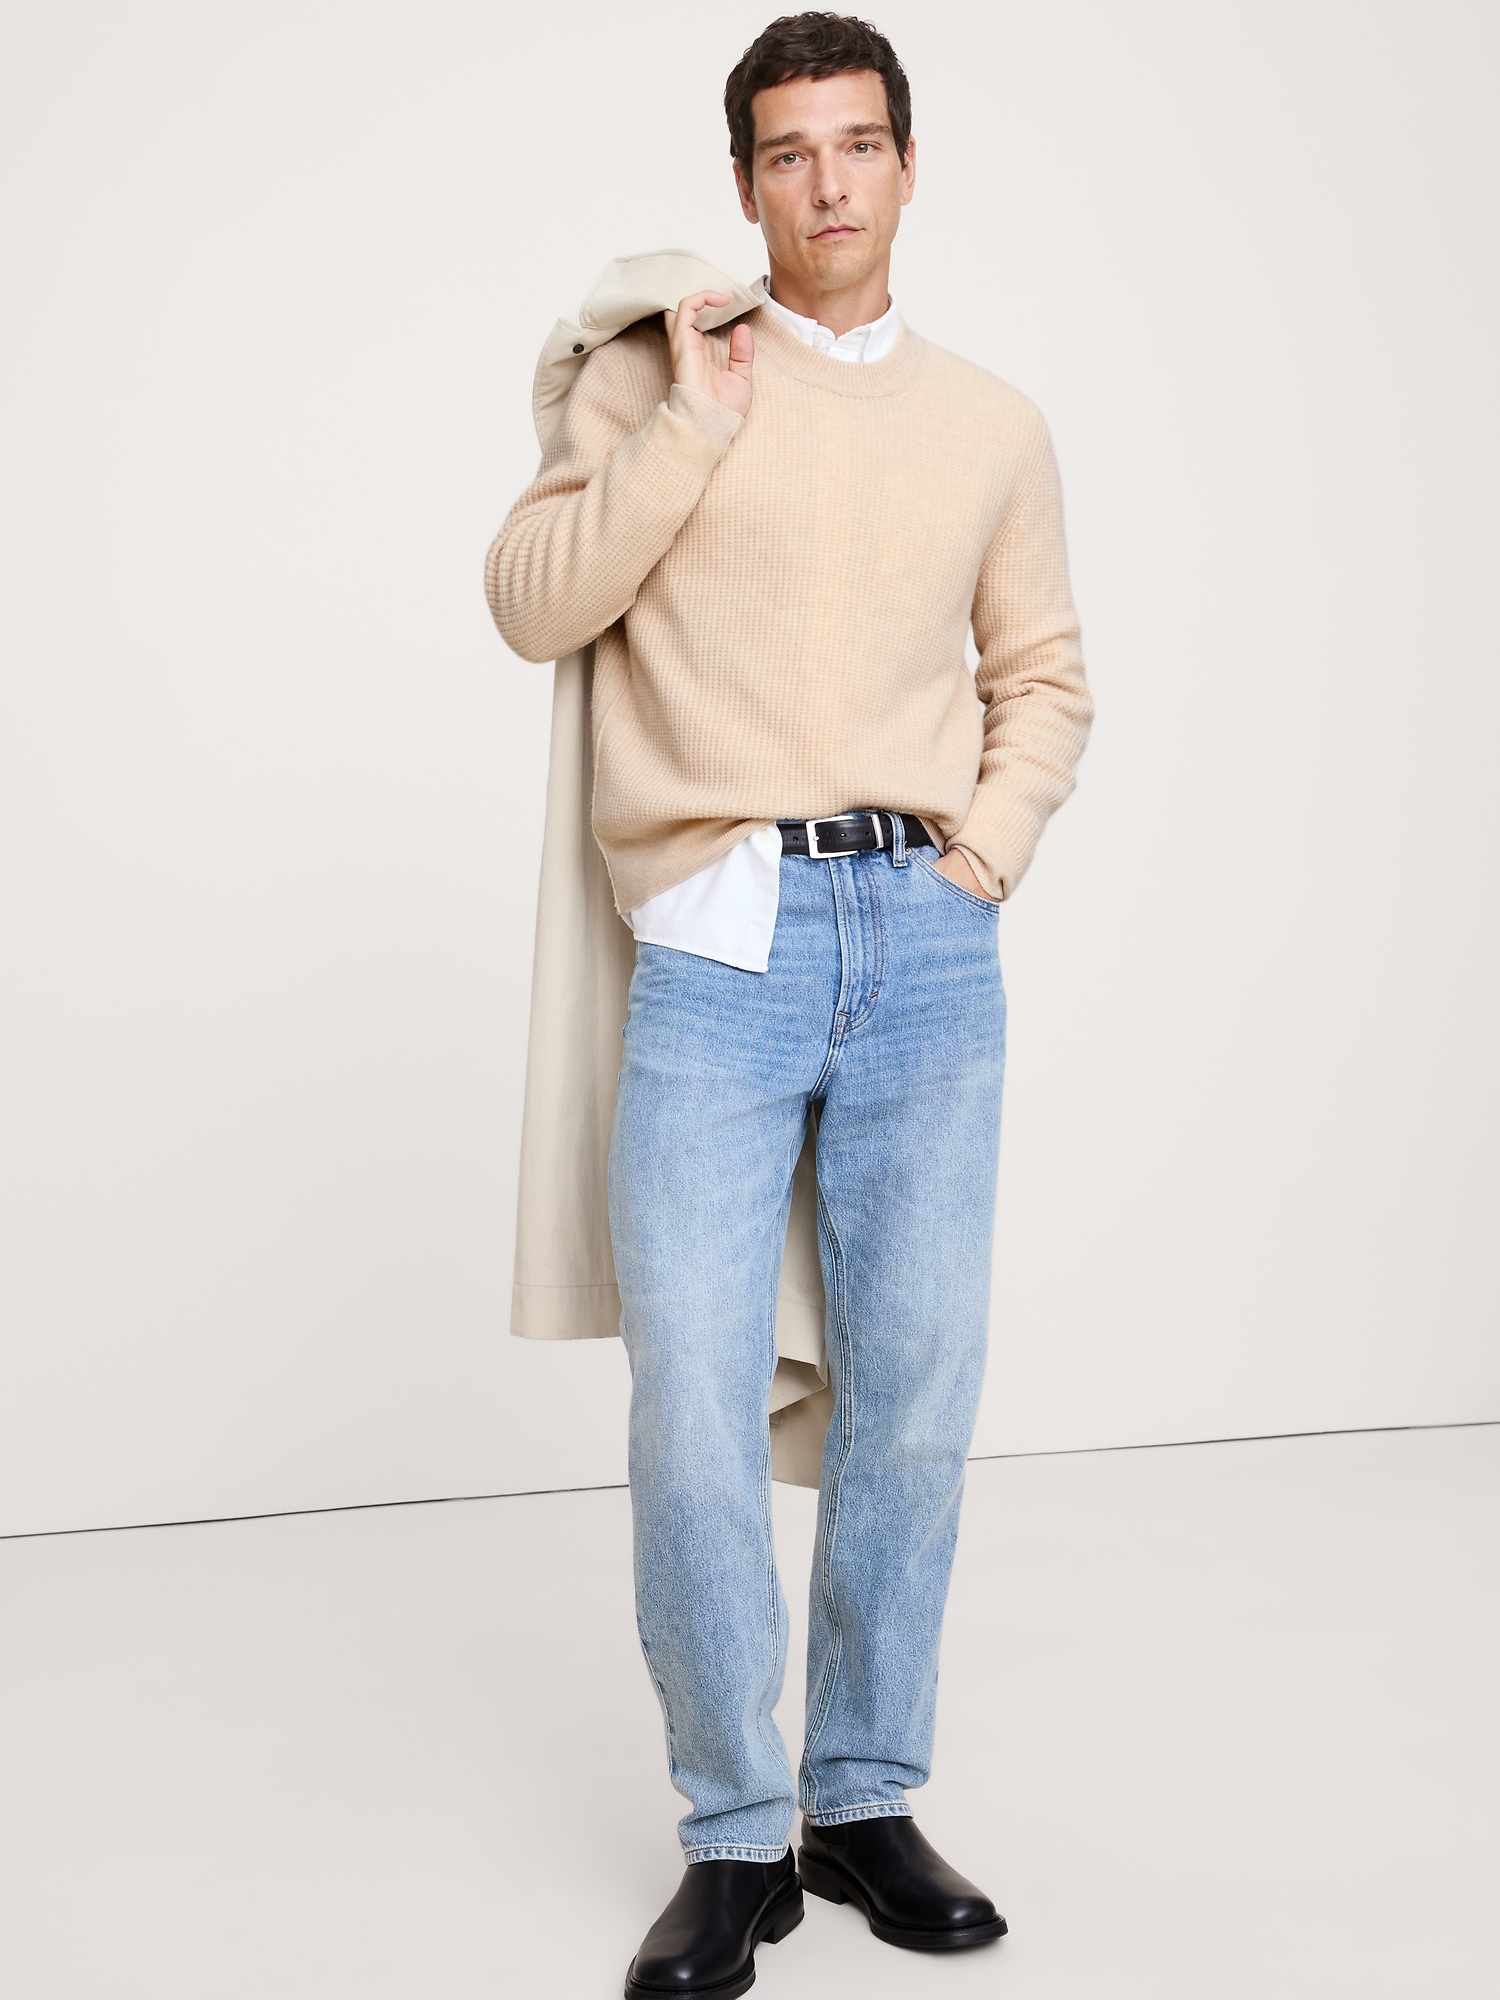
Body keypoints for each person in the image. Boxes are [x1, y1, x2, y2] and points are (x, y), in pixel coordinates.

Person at [486, 14, 1092, 1995]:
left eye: (858, 145)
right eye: (787, 152)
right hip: (721, 942)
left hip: (923, 937)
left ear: (908, 164)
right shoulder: (667, 368)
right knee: (690, 1404)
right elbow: (533, 598)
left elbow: (1044, 673)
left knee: (915, 1387)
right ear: (744, 183)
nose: (826, 183)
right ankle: (734, 1836)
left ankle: (862, 1794)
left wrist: (982, 853)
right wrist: (688, 424)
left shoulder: (991, 423)